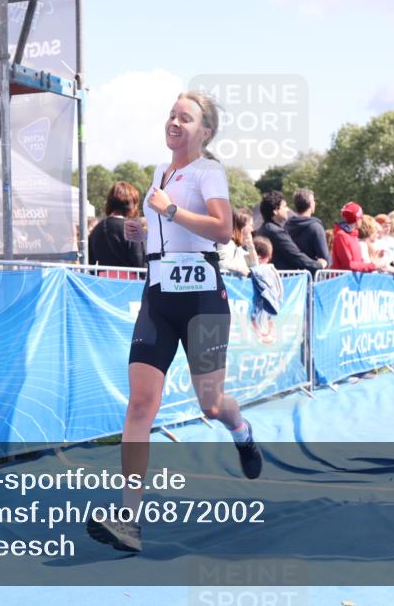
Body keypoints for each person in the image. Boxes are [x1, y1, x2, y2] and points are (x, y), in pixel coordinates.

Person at [86, 91, 261, 554]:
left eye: (186, 118)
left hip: (202, 298)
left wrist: (167, 210)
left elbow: (222, 229)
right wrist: (142, 230)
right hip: (159, 296)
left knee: (209, 404)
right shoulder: (158, 174)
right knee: (141, 404)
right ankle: (129, 519)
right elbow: (167, 227)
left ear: (204, 131)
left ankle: (241, 430)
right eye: (171, 115)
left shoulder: (209, 171)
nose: (175, 122)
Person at [255, 190, 326, 275]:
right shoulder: (276, 232)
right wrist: (318, 265)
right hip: (284, 282)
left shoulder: (265, 229)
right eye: (284, 206)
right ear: (275, 211)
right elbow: (296, 256)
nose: (287, 209)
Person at [88, 181, 147, 270]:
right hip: (129, 282)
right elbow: (140, 263)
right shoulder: (131, 228)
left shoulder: (96, 229)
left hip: (102, 281)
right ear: (131, 204)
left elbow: (90, 262)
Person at [284, 188, 329, 265]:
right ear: (311, 204)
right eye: (314, 201)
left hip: (291, 274)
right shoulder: (316, 228)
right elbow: (324, 257)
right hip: (311, 274)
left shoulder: (286, 226)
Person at [331, 202, 379, 273]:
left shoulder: (353, 235)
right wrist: (372, 266)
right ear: (357, 219)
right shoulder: (341, 236)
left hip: (353, 281)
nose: (362, 220)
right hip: (343, 282)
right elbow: (349, 264)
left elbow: (358, 261)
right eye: (361, 218)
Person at [218, 208, 258, 276]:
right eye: (251, 225)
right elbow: (222, 264)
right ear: (242, 226)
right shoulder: (227, 242)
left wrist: (250, 246)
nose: (252, 229)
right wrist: (239, 269)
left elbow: (254, 265)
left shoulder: (241, 246)